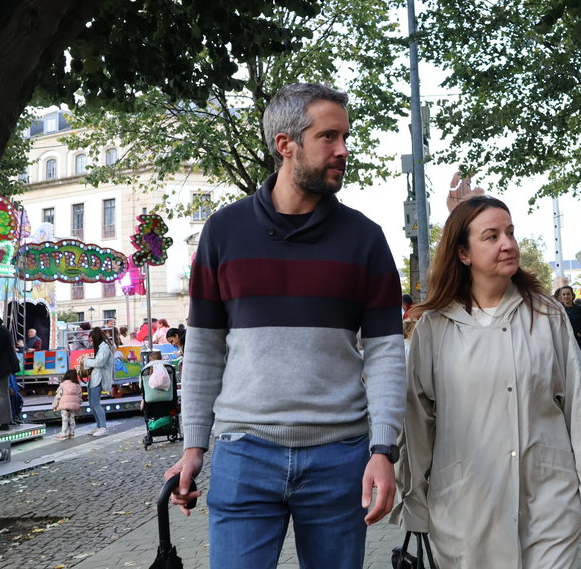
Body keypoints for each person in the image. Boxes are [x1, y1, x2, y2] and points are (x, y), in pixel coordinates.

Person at [164, 82, 405, 569]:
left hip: (341, 459)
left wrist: (384, 449)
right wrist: (194, 446)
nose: (343, 150)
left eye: (346, 137)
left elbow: (386, 353)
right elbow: (205, 349)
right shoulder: (223, 232)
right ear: (286, 144)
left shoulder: (366, 240)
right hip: (243, 456)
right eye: (330, 137)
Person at [393, 195, 581, 567]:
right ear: (463, 253)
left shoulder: (546, 314)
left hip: (548, 499)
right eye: (492, 236)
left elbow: (580, 403)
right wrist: (413, 501)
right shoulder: (434, 327)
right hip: (465, 505)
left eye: (510, 232)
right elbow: (417, 422)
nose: (508, 244)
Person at [82, 327, 115, 437]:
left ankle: (103, 427)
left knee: (95, 404)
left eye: (91, 340)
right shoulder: (102, 347)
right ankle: (99, 425)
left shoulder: (104, 347)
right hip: (95, 378)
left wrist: (86, 361)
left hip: (99, 378)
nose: (90, 343)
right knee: (92, 404)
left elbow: (100, 362)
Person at [555, 285, 581, 363]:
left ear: (572, 295)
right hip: (563, 345)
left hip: (578, 343)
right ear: (561, 296)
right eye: (564, 294)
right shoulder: (557, 311)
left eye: (568, 294)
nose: (566, 296)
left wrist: (580, 333)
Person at [52, 368, 82, 440]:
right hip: (73, 406)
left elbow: (58, 396)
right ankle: (71, 433)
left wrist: (54, 405)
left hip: (64, 405)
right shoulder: (77, 386)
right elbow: (80, 396)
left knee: (65, 419)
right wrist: (78, 404)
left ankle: (63, 433)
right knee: (72, 419)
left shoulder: (63, 385)